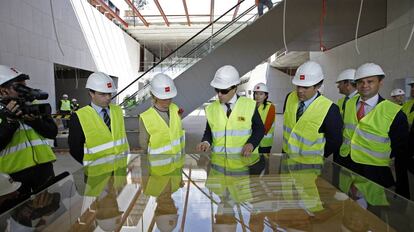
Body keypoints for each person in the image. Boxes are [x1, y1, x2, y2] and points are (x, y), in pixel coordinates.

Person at [338, 62, 410, 205]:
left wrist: (401, 187)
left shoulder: (393, 112)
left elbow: (402, 152)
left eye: (370, 81)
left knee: (374, 215)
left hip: (375, 172)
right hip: (348, 167)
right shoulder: (349, 104)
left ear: (380, 82)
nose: (364, 85)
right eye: (360, 82)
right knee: (349, 210)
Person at [282, 61, 343, 212]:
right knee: (289, 199)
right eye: (298, 86)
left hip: (310, 166)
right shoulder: (289, 98)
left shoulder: (330, 109)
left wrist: (317, 155)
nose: (300, 91)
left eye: (306, 87)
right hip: (287, 161)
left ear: (318, 86)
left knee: (310, 200)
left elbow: (335, 141)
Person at [196, 65, 265, 175]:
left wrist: (251, 144)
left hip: (242, 164)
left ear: (234, 88)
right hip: (218, 165)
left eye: (223, 91)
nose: (219, 94)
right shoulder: (211, 108)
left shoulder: (249, 105)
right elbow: (209, 131)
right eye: (217, 90)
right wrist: (206, 142)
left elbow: (260, 129)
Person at [0, 65, 57, 196]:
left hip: (44, 168)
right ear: (3, 90)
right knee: (17, 214)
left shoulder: (33, 104)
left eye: (25, 85)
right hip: (12, 176)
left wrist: (34, 121)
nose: (25, 90)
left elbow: (52, 132)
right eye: (19, 87)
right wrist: (10, 121)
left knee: (51, 211)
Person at [68, 72, 129, 167]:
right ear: (91, 93)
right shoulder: (79, 116)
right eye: (103, 94)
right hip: (96, 174)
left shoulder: (117, 111)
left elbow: (123, 139)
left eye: (109, 93)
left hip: (120, 168)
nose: (108, 97)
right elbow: (75, 149)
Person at [138, 73, 185, 156]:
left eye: (170, 97)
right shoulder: (146, 117)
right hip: (159, 166)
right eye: (164, 98)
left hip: (178, 162)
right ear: (154, 96)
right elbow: (144, 145)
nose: (168, 100)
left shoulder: (175, 108)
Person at [253, 83, 276, 154]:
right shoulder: (251, 106)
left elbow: (267, 127)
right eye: (256, 93)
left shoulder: (270, 107)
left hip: (264, 143)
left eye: (261, 94)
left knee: (263, 163)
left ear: (266, 95)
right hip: (252, 142)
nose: (258, 96)